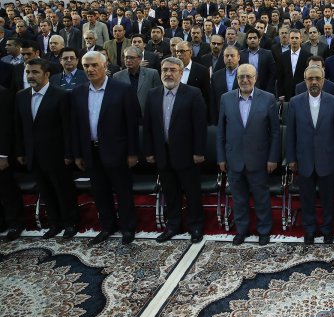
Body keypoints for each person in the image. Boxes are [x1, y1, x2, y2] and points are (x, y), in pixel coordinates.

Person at [71, 52, 140, 245]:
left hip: (117, 151)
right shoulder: (78, 92)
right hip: (91, 151)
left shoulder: (122, 89)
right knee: (100, 192)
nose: (90, 69)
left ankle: (128, 227)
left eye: (94, 65)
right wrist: (78, 153)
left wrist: (132, 152)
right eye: (86, 66)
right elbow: (76, 125)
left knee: (123, 191)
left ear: (105, 66)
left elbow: (132, 124)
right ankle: (108, 226)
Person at [143, 57, 207, 244]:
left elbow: (200, 125)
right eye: (165, 70)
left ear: (180, 72)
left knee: (192, 192)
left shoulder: (193, 93)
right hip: (162, 153)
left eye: (172, 70)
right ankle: (173, 225)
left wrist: (199, 152)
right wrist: (149, 151)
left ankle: (195, 226)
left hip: (187, 154)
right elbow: (148, 126)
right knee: (170, 192)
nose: (168, 74)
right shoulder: (153, 94)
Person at [217, 63, 281, 245]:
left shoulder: (268, 98)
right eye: (241, 77)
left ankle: (264, 230)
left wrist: (273, 158)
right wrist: (221, 157)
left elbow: (275, 132)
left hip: (259, 159)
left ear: (255, 78)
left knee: (261, 197)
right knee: (238, 198)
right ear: (236, 79)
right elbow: (221, 130)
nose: (244, 80)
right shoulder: (226, 98)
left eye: (248, 76)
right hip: (234, 158)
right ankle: (242, 230)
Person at [15, 58, 78, 239]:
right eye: (28, 72)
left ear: (47, 74)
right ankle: (55, 224)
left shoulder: (61, 95)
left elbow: (68, 128)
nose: (30, 76)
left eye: (35, 72)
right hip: (33, 155)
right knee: (45, 192)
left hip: (57, 155)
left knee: (63, 191)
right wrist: (20, 151)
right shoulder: (21, 96)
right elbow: (19, 127)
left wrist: (69, 153)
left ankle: (71, 223)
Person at [286, 65, 334, 244]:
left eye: (317, 78)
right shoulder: (294, 102)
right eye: (310, 79)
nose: (314, 82)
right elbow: (290, 133)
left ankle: (327, 230)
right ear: (304, 81)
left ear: (323, 81)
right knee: (306, 199)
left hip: (328, 159)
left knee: (328, 199)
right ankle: (309, 230)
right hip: (303, 159)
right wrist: (291, 159)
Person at [0, 82, 24, 242]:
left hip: (2, 154)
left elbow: (5, 127)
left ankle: (16, 223)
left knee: (7, 190)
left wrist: (2, 155)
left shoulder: (3, 93)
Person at [112, 46, 161, 114]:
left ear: (140, 59)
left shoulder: (152, 74)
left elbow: (158, 96)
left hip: (146, 114)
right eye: (126, 57)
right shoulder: (117, 76)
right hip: (126, 115)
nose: (128, 60)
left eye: (131, 58)